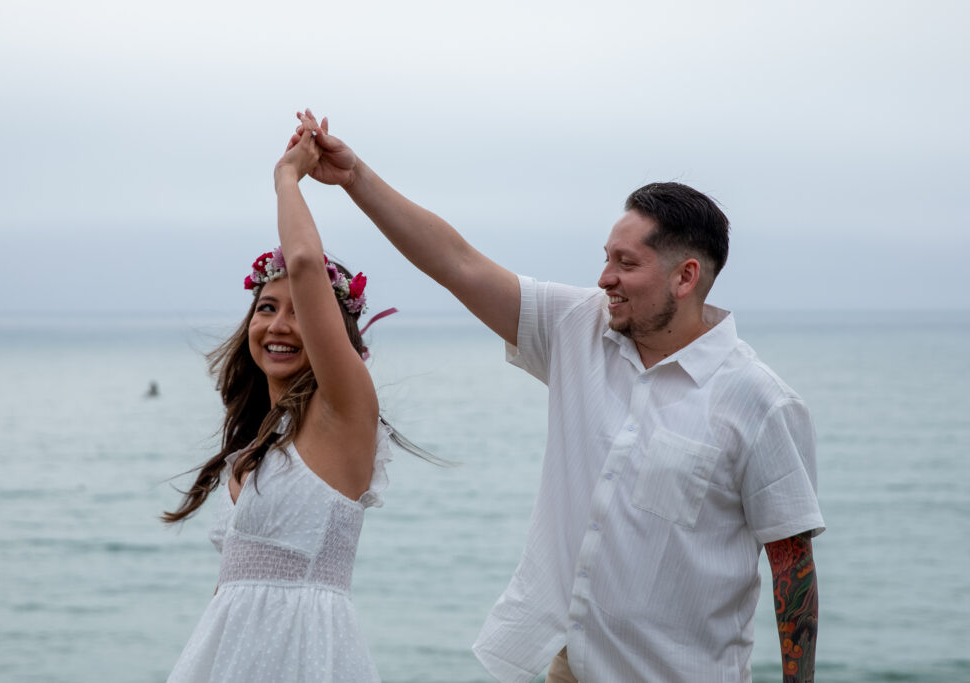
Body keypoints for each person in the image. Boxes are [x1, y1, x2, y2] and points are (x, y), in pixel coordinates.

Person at [287, 110, 824, 682]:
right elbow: (458, 263)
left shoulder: (760, 402)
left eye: (626, 263)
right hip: (566, 668)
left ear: (685, 277)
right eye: (605, 257)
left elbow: (792, 565)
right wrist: (355, 179)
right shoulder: (578, 327)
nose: (603, 278)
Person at [163, 118, 411, 682]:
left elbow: (302, 263)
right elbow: (229, 598)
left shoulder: (344, 411)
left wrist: (288, 178)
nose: (278, 324)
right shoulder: (254, 446)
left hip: (309, 661)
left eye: (300, 310)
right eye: (266, 308)